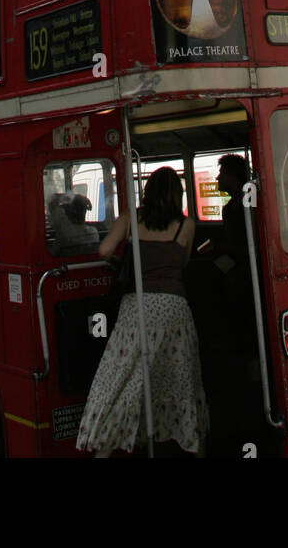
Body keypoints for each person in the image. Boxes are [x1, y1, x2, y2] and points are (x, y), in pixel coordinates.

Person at [76, 167, 208, 457]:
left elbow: (104, 251)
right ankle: (191, 444)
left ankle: (104, 448)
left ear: (148, 191)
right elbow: (183, 264)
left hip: (136, 309)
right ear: (177, 194)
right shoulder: (186, 226)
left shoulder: (132, 217)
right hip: (173, 309)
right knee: (179, 379)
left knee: (122, 379)